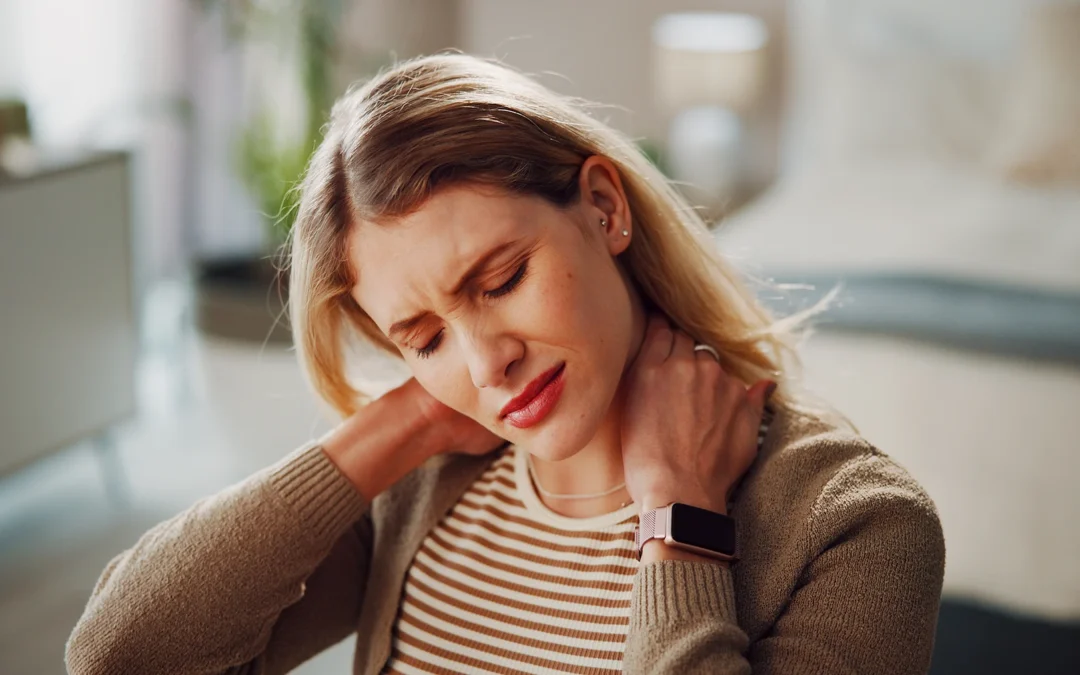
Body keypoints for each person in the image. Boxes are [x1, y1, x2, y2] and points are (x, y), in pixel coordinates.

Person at [65, 52, 945, 675]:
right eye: (423, 336)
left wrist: (681, 515)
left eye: (501, 279)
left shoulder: (855, 523)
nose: (488, 362)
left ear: (603, 207)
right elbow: (119, 654)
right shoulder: (425, 491)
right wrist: (398, 422)